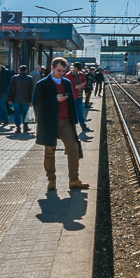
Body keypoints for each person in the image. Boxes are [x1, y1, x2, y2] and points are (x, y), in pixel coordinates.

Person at [32, 57, 87, 193]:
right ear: (52, 68)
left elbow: (71, 103)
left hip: (66, 121)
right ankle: (51, 180)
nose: (61, 73)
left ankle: (74, 180)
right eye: (58, 70)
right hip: (49, 122)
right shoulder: (42, 84)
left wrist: (74, 121)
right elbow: (36, 102)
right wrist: (54, 100)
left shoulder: (67, 83)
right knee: (50, 151)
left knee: (73, 149)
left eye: (63, 71)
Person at [7, 64, 35, 134]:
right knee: (25, 113)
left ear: (19, 70)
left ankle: (18, 127)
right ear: (26, 70)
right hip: (26, 99)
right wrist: (31, 100)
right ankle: (25, 127)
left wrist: (9, 99)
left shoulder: (15, 78)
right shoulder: (29, 78)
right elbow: (32, 90)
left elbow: (10, 88)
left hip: (16, 98)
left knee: (17, 113)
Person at [68, 64, 90, 137]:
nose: (79, 70)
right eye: (78, 68)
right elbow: (67, 86)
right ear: (74, 67)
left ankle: (83, 127)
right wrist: (75, 87)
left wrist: (83, 84)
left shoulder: (81, 74)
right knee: (72, 114)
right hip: (72, 97)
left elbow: (84, 82)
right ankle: (72, 129)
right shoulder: (68, 75)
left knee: (80, 112)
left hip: (79, 96)